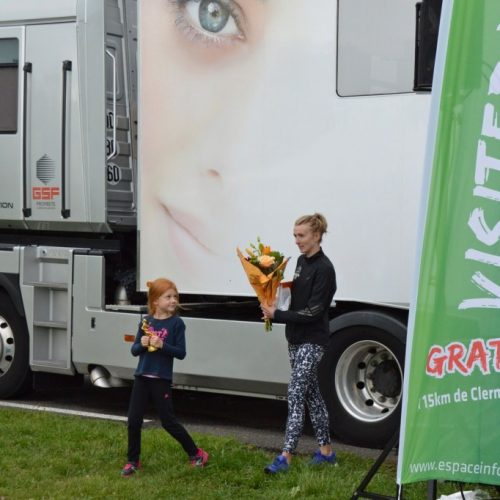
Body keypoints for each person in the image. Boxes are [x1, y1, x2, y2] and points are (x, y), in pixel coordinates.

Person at [261, 213, 337, 474]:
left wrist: (278, 315)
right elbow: (296, 300)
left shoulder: (325, 269)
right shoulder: (301, 262)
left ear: (316, 235)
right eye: (295, 235)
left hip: (313, 341)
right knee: (312, 395)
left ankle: (285, 457)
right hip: (294, 338)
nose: (297, 240)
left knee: (295, 393)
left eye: (301, 235)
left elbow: (314, 312)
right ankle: (326, 453)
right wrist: (275, 303)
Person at [121, 278, 208, 476]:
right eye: (168, 297)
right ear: (155, 301)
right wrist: (142, 344)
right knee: (134, 420)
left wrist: (162, 345)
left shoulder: (177, 323)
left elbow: (181, 353)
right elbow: (134, 350)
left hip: (161, 379)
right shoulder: (146, 321)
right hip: (142, 377)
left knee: (168, 421)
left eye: (175, 296)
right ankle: (133, 461)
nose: (173, 300)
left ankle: (196, 453)